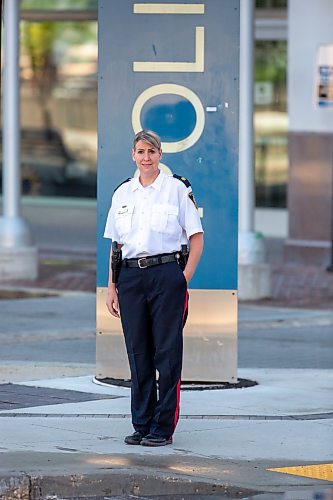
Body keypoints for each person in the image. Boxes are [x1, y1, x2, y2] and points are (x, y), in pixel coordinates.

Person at [104, 130, 203, 447]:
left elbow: (196, 237)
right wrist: (112, 286)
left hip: (165, 275)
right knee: (138, 353)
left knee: (166, 353)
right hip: (131, 278)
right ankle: (142, 423)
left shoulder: (176, 189)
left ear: (160, 154)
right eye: (140, 151)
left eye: (151, 151)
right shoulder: (123, 193)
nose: (146, 157)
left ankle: (163, 427)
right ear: (133, 155)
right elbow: (117, 245)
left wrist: (182, 278)